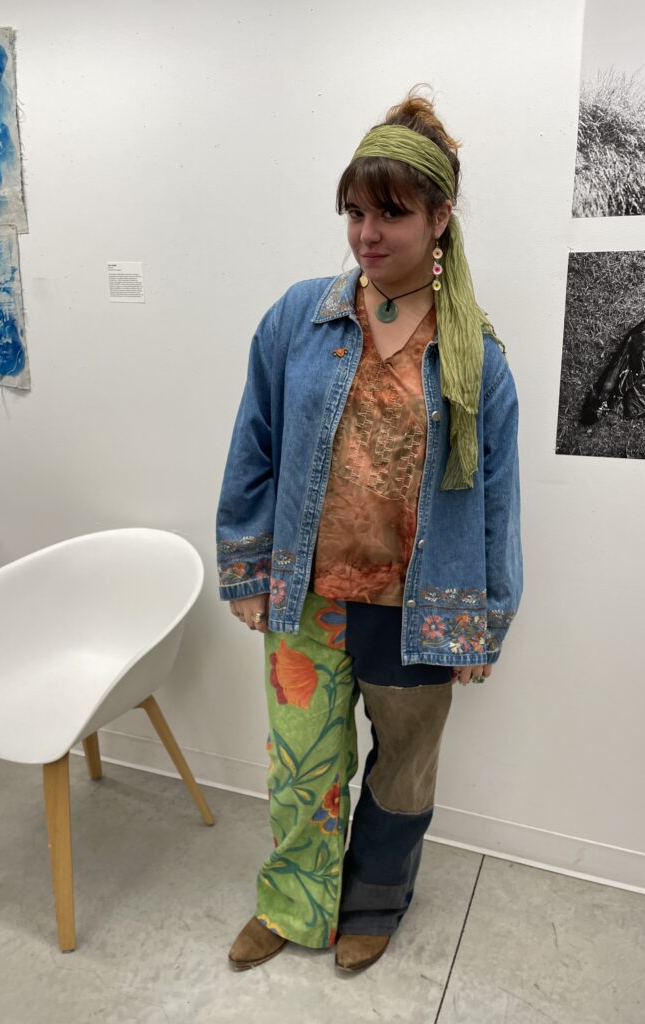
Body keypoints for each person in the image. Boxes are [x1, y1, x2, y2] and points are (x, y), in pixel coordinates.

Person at [216, 89, 522, 973]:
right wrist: (245, 572)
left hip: (419, 611)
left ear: (439, 219)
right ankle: (293, 901)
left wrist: (485, 618)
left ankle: (375, 902)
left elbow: (497, 498)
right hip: (306, 597)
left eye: (390, 211)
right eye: (354, 209)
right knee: (302, 768)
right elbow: (255, 448)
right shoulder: (299, 321)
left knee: (399, 775)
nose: (366, 232)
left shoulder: (477, 357)